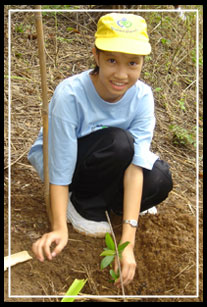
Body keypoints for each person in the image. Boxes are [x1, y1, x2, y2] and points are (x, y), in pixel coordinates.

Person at [29, 13, 173, 287]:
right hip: (69, 166)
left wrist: (126, 245)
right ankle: (83, 206)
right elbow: (59, 166)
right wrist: (59, 226)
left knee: (160, 178)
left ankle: (111, 204)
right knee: (119, 142)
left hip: (111, 158)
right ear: (96, 56)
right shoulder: (70, 95)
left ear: (142, 63)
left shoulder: (142, 97)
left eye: (132, 63)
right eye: (111, 61)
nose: (121, 74)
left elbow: (135, 166)